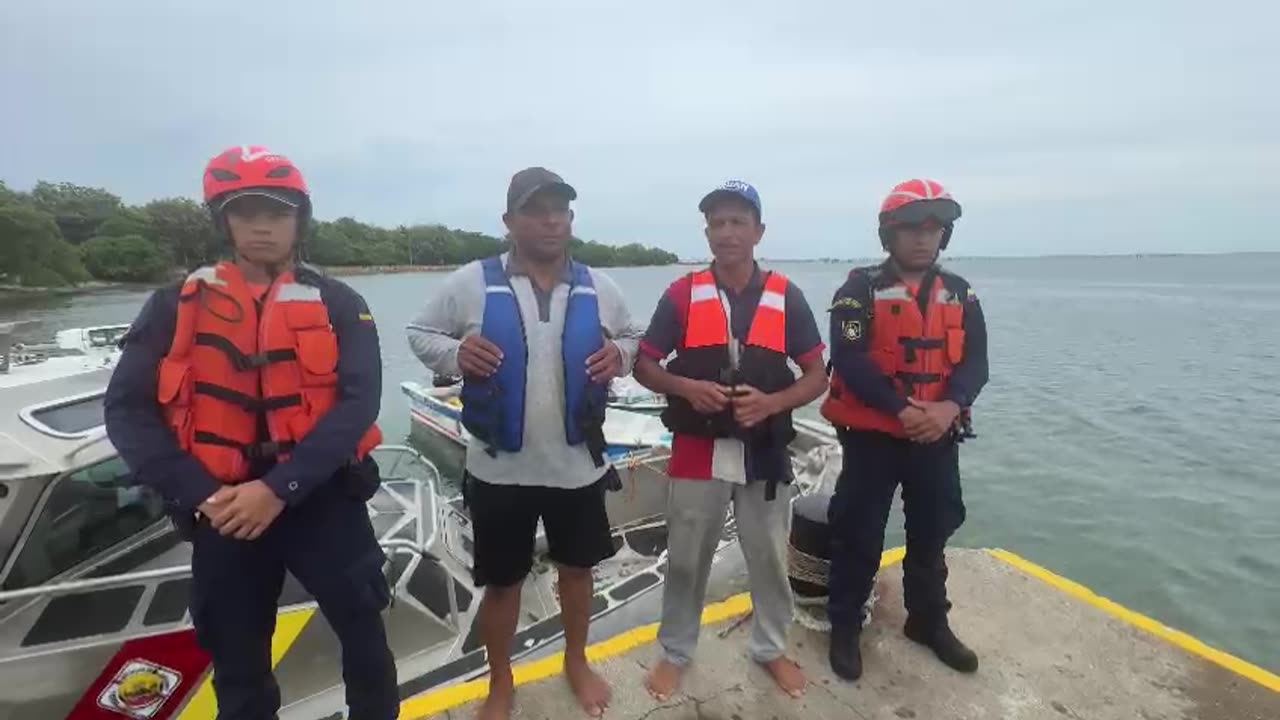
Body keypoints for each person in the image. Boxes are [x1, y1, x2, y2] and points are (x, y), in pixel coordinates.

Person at [104, 146, 399, 719]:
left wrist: (280, 488)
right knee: (238, 666)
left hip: (322, 498)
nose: (263, 225)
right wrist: (203, 494)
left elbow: (358, 402)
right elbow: (127, 412)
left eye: (278, 212)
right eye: (246, 212)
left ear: (299, 221)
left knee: (366, 643)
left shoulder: (340, 303)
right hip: (223, 509)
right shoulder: (173, 306)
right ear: (223, 221)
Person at [405, 167, 641, 720]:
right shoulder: (470, 282)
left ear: (572, 220)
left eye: (560, 209)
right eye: (536, 210)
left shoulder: (599, 287)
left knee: (578, 571)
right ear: (509, 221)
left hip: (576, 467)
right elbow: (420, 332)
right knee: (503, 582)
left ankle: (576, 661)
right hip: (497, 470)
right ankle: (500, 680)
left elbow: (634, 336)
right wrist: (455, 355)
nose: (551, 219)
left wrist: (622, 357)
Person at [633, 180, 828, 701]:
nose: (727, 232)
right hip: (698, 450)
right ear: (706, 232)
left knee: (766, 554)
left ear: (759, 230)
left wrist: (773, 402)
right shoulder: (681, 294)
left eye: (738, 221)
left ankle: (769, 647)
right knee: (687, 556)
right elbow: (645, 364)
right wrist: (685, 387)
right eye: (717, 222)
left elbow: (816, 375)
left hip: (763, 453)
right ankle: (676, 650)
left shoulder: (787, 296)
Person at [821, 178, 989, 681]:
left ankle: (928, 621)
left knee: (932, 529)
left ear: (945, 235)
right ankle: (845, 626)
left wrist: (949, 407)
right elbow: (849, 359)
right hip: (872, 437)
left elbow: (976, 363)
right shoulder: (857, 292)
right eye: (912, 227)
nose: (922, 237)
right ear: (888, 234)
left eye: (933, 228)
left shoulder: (962, 294)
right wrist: (901, 409)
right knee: (858, 532)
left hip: (937, 436)